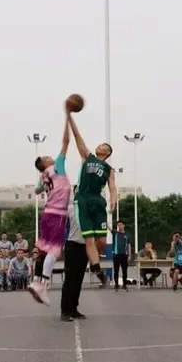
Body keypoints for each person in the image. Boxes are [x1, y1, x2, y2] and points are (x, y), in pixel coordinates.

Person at [67, 107, 116, 287]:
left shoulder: (109, 169)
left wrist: (113, 200)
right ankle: (97, 270)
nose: (98, 145)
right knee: (89, 239)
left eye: (102, 145)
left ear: (106, 152)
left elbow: (112, 186)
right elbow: (78, 138)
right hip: (83, 199)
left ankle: (92, 258)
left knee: (101, 241)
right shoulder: (88, 157)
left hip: (98, 201)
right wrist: (70, 118)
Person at [28, 111, 71, 305]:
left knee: (45, 249)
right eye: (46, 156)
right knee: (55, 250)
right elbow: (65, 143)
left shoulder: (43, 175)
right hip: (57, 214)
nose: (49, 156)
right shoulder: (57, 166)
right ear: (45, 163)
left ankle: (36, 280)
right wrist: (68, 120)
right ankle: (43, 285)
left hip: (46, 214)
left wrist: (45, 187)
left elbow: (37, 190)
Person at [60, 185, 90, 321]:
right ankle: (65, 310)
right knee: (70, 279)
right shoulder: (69, 209)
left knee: (78, 279)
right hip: (72, 244)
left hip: (85, 246)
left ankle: (74, 308)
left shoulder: (89, 209)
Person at [111, 220, 132, 291]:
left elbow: (129, 245)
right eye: (118, 225)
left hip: (124, 255)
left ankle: (124, 285)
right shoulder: (115, 233)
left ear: (124, 225)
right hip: (116, 255)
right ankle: (116, 285)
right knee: (116, 271)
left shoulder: (127, 235)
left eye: (121, 225)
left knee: (124, 271)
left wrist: (129, 255)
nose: (119, 226)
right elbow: (109, 228)